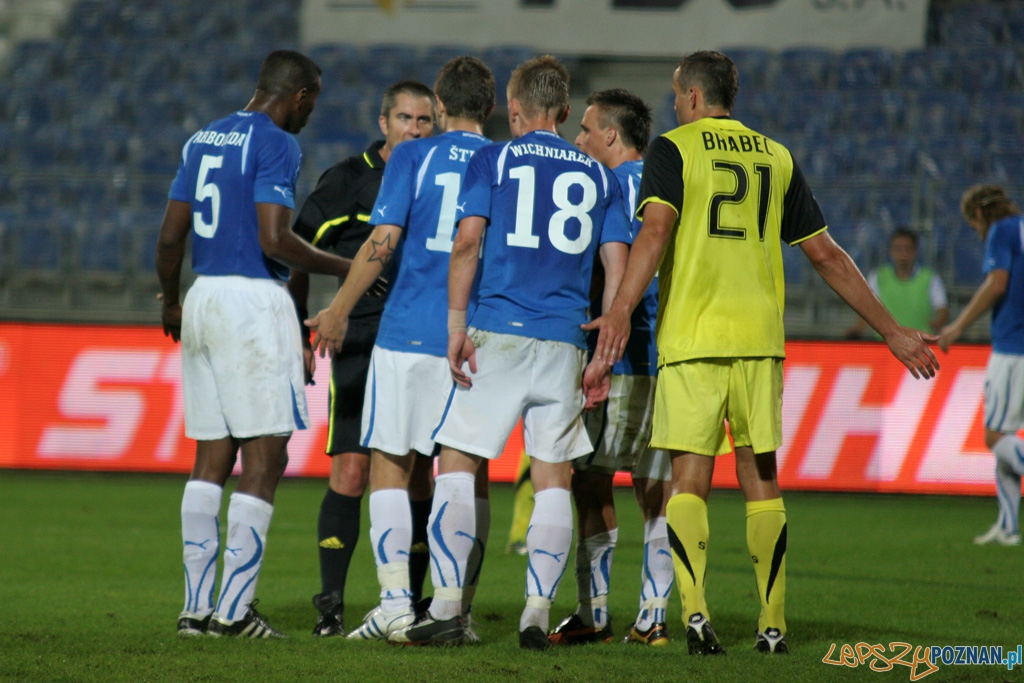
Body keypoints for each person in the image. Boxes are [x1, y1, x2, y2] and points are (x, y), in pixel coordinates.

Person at [586, 51, 939, 656]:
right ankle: (772, 625)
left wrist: (619, 310)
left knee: (688, 480)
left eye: (677, 93)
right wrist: (892, 330)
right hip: (758, 340)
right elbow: (826, 253)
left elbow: (656, 231)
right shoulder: (776, 156)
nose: (674, 102)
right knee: (761, 480)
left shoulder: (674, 149)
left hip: (694, 337)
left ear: (694, 98)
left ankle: (695, 616)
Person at [387, 55, 631, 650]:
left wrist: (454, 325)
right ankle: (536, 614)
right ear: (567, 112)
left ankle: (447, 608)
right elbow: (616, 267)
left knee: (459, 460)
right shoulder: (600, 176)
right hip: (564, 339)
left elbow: (468, 241)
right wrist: (604, 341)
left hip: (497, 331)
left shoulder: (492, 157)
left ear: (514, 111)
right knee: (553, 475)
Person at [156, 50, 355, 638]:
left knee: (211, 458)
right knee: (267, 456)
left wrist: (170, 300)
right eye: (311, 102)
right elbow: (276, 238)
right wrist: (345, 267)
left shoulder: (201, 140)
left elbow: (170, 237)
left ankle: (196, 609)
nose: (310, 114)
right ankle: (235, 613)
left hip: (202, 297)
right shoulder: (276, 143)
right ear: (297, 96)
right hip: (250, 303)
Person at [307, 56, 496, 641]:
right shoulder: (503, 159)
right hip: (472, 340)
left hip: (405, 333)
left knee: (390, 464)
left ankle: (393, 603)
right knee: (462, 474)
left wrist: (337, 309)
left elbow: (383, 241)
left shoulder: (413, 154)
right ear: (489, 108)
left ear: (439, 107)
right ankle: (450, 610)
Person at [288, 80, 437, 637]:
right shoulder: (349, 180)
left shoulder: (442, 178)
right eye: (405, 119)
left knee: (420, 473)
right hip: (361, 338)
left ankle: (413, 604)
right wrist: (303, 328)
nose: (415, 130)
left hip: (422, 338)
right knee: (352, 468)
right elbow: (293, 247)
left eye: (425, 121)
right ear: (383, 123)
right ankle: (331, 606)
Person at [547, 89, 675, 648]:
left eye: (586, 129)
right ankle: (653, 614)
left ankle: (595, 612)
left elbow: (612, 274)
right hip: (667, 356)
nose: (578, 139)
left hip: (620, 356)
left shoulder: (611, 187)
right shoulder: (670, 187)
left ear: (610, 138)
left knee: (592, 479)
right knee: (656, 484)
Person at [939, 185, 1024, 547]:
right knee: (1003, 433)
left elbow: (996, 282)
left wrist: (957, 326)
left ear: (977, 214)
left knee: (994, 436)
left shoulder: (1000, 231)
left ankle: (1008, 526)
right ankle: (1008, 528)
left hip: (1012, 348)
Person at [845, 227, 949, 338]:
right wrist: (856, 331)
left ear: (915, 252)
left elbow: (942, 312)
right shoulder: (878, 277)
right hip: (884, 346)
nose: (903, 254)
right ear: (891, 252)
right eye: (898, 249)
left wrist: (934, 327)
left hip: (920, 346)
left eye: (907, 249)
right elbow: (867, 311)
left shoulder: (930, 279)